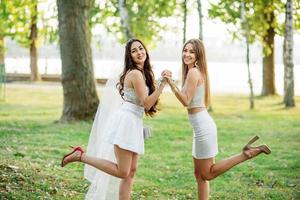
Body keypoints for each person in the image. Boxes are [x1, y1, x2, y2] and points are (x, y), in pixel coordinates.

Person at [162, 38, 271, 200]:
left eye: (192, 52)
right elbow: (188, 95)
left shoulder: (193, 72)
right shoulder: (194, 72)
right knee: (199, 175)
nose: (187, 54)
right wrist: (173, 82)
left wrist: (170, 83)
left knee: (207, 174)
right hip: (201, 125)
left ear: (199, 55)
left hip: (202, 127)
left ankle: (246, 154)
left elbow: (185, 101)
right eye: (185, 50)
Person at [61, 38, 169, 200]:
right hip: (126, 122)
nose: (139, 52)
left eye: (141, 48)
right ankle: (80, 156)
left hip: (134, 122)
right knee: (122, 171)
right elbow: (146, 103)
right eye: (134, 51)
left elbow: (143, 104)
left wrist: (159, 82)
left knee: (130, 172)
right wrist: (162, 85)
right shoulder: (135, 74)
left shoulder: (142, 74)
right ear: (129, 56)